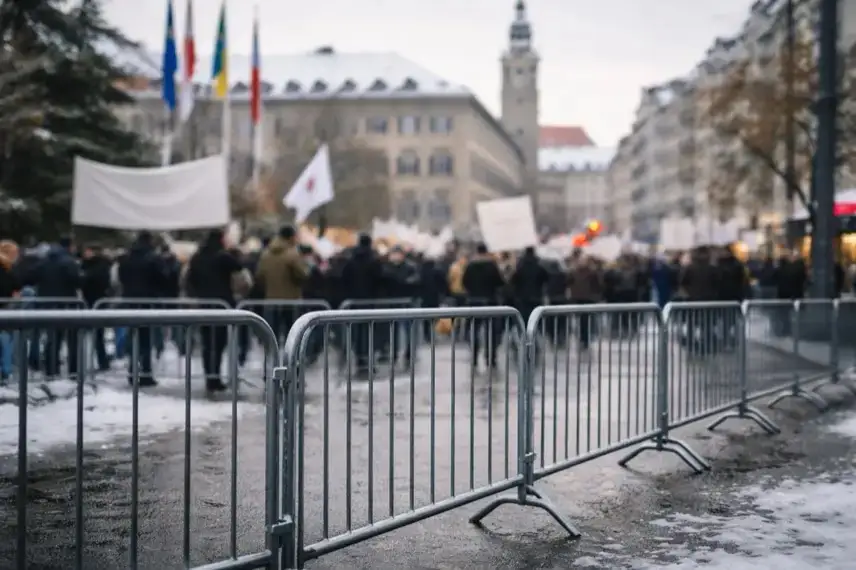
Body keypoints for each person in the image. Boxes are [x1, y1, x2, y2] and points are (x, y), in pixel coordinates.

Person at [185, 229, 244, 391]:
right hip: (222, 304)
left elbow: (190, 279)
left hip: (204, 304)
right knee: (218, 343)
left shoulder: (197, 257)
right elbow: (238, 266)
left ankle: (209, 377)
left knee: (207, 343)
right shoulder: (222, 257)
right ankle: (215, 377)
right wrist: (233, 250)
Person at [116, 231, 169, 386]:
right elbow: (163, 277)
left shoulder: (126, 258)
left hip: (129, 300)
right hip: (147, 301)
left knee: (133, 336)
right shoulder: (153, 258)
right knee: (145, 339)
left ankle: (132, 371)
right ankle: (145, 373)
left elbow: (121, 277)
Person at [254, 225, 308, 344]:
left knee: (272, 338)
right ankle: (289, 362)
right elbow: (303, 274)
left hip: (271, 300)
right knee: (292, 338)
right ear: (291, 237)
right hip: (291, 301)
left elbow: (259, 276)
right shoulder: (292, 254)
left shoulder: (266, 254)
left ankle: (273, 362)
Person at [462, 243, 506, 370]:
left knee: (474, 330)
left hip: (474, 302)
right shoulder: (492, 265)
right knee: (491, 332)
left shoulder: (470, 265)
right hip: (490, 302)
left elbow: (465, 282)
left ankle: (474, 357)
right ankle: (490, 358)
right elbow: (499, 282)